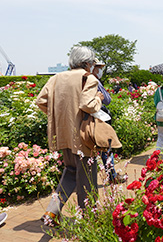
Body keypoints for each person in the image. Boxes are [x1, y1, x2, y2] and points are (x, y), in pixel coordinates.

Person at [36, 46, 103, 226]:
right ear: (87, 63)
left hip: (63, 134)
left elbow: (40, 101)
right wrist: (99, 99)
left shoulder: (56, 78)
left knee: (70, 172)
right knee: (87, 179)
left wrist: (59, 115)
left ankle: (52, 211)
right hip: (83, 135)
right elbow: (88, 104)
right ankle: (89, 218)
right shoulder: (88, 78)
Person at [92, 60, 126, 185]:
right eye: (99, 68)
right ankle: (112, 176)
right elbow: (107, 100)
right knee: (106, 148)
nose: (100, 71)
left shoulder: (81, 81)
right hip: (99, 118)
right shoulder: (93, 81)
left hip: (87, 120)